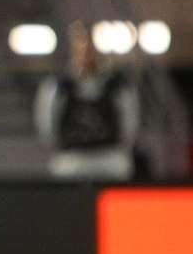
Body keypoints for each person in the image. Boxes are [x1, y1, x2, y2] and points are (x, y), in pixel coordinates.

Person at [34, 22, 140, 180]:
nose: (87, 51)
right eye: (82, 44)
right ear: (73, 48)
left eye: (91, 46)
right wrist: (58, 147)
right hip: (73, 156)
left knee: (122, 165)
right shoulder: (59, 86)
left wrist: (121, 146)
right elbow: (46, 124)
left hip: (108, 155)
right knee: (62, 167)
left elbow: (130, 122)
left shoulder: (116, 86)